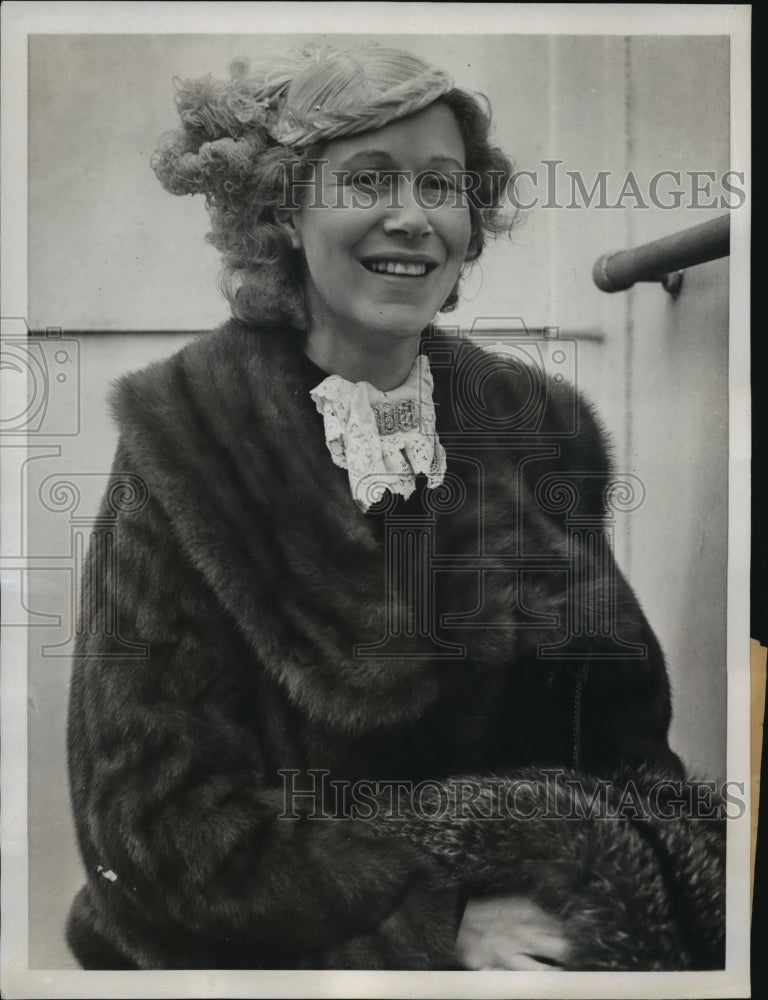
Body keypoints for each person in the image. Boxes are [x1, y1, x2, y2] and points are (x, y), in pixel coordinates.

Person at [65, 44, 725, 971]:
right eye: (367, 179)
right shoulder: (187, 443)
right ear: (283, 211)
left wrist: (611, 898)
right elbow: (153, 823)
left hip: (553, 919)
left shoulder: (539, 430)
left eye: (441, 184)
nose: (412, 217)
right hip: (291, 951)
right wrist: (427, 927)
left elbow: (627, 743)